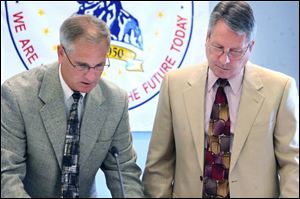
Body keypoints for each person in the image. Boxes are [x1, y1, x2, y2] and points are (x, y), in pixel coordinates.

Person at [142, 1, 299, 198]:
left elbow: (292, 164)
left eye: (235, 51)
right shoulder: (174, 84)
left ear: (250, 47)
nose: (224, 59)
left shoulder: (280, 89)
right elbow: (158, 164)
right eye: (218, 47)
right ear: (207, 38)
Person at [1, 14, 144, 198]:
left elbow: (124, 172)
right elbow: (7, 174)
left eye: (99, 65)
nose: (91, 76)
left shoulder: (115, 101)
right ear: (61, 53)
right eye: (81, 65)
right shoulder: (18, 95)